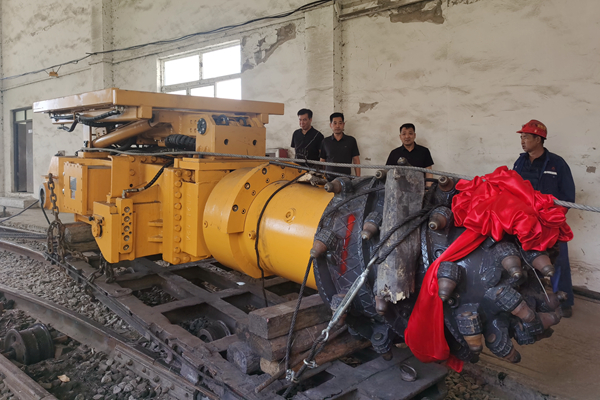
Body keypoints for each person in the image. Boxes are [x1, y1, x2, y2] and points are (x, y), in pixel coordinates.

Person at [513, 119, 576, 317]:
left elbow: (568, 196)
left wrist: (554, 218)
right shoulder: (520, 162)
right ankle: (522, 298)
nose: (522, 141)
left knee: (559, 260)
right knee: (520, 258)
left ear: (538, 139)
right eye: (521, 137)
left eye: (526, 137)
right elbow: (512, 189)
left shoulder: (557, 163)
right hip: (525, 221)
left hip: (550, 221)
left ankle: (564, 301)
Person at [319, 112, 360, 179]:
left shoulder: (351, 140)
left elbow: (356, 160)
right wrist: (322, 177)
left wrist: (358, 179)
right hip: (329, 179)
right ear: (330, 125)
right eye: (335, 123)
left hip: (346, 179)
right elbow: (322, 160)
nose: (337, 126)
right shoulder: (325, 141)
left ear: (343, 124)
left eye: (340, 123)